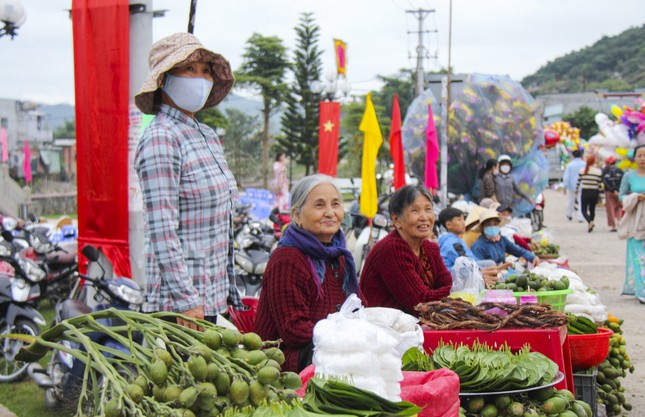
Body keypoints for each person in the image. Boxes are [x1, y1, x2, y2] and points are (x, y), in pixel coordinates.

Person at [134, 33, 240, 329]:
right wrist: (186, 301)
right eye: (188, 69)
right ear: (165, 79)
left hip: (211, 298)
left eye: (206, 70)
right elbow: (162, 230)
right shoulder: (161, 138)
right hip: (180, 309)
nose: (200, 78)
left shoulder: (205, 135)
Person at [254, 175, 360, 372]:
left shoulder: (340, 256)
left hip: (328, 348)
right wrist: (348, 339)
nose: (330, 212)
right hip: (285, 362)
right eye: (319, 205)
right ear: (297, 215)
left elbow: (358, 308)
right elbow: (294, 331)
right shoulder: (287, 259)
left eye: (335, 204)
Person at [359, 185, 453, 316]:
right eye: (415, 211)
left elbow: (446, 285)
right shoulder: (392, 249)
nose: (424, 217)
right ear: (396, 220)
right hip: (384, 330)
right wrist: (461, 291)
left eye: (428, 209)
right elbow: (420, 303)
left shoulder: (430, 248)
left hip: (413, 326)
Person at [437, 207, 499, 286]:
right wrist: (483, 270)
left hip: (461, 270)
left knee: (489, 264)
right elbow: (464, 263)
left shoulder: (458, 239)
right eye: (459, 220)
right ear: (449, 225)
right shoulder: (451, 242)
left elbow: (473, 260)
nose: (463, 223)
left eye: (463, 219)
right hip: (452, 276)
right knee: (489, 265)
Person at [618, 144, 645, 304]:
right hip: (636, 222)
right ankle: (642, 291)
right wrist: (635, 197)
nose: (643, 158)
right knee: (638, 258)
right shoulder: (628, 176)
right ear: (634, 158)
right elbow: (621, 196)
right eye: (640, 155)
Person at [471, 210, 540, 266]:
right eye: (488, 225)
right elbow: (478, 267)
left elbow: (518, 251)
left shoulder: (502, 240)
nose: (492, 227)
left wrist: (532, 257)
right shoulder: (478, 246)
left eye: (495, 224)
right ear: (482, 228)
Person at [576, 155, 603, 233]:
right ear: (594, 162)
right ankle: (590, 223)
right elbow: (599, 184)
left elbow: (578, 182)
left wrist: (576, 190)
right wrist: (600, 193)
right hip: (594, 192)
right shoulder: (598, 171)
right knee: (592, 209)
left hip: (585, 191)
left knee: (583, 210)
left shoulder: (582, 170)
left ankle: (589, 222)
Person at [602, 155, 624, 232]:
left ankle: (613, 225)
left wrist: (612, 190)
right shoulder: (620, 170)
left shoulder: (605, 171)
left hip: (609, 191)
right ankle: (619, 221)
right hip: (619, 192)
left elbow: (605, 181)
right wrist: (617, 190)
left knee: (610, 208)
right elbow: (622, 181)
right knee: (618, 207)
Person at [562, 149, 586, 222]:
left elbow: (566, 176)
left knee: (570, 200)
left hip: (571, 185)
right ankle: (580, 217)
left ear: (573, 155)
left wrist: (565, 186)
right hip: (582, 185)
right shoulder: (584, 164)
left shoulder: (570, 165)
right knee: (581, 201)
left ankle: (569, 214)